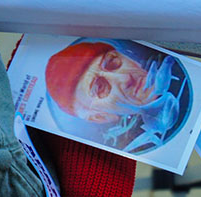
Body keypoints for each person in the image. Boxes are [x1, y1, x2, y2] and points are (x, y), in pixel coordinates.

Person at [44, 40, 186, 152]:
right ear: (101, 117)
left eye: (112, 62)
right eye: (100, 87)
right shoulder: (144, 143)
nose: (125, 79)